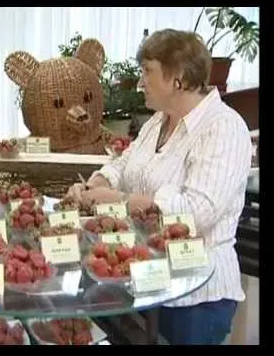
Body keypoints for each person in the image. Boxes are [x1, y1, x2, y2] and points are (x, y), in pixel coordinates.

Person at [67, 29, 251, 345]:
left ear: (177, 77)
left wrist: (120, 200)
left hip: (196, 297)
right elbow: (124, 164)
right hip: (149, 283)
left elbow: (198, 212)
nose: (140, 82)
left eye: (147, 71)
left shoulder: (225, 127)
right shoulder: (158, 121)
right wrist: (98, 182)